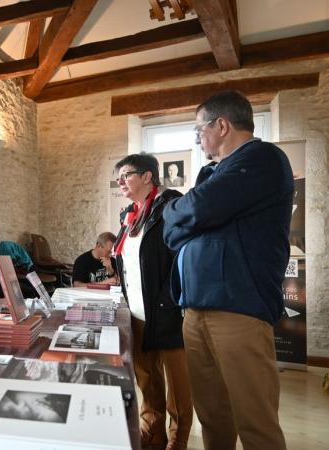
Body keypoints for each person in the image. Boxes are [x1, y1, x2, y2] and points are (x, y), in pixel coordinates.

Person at [163, 90, 292, 450]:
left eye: (199, 130)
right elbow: (174, 232)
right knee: (213, 417)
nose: (197, 138)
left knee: (255, 422)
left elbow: (196, 210)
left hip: (238, 308)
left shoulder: (263, 158)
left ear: (222, 125)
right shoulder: (210, 172)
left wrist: (183, 212)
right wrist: (186, 214)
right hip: (195, 310)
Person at [113, 154, 192, 450]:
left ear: (148, 176)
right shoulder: (129, 215)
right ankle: (152, 431)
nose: (121, 182)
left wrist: (171, 300)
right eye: (119, 177)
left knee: (178, 384)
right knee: (147, 378)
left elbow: (181, 260)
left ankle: (177, 439)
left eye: (127, 175)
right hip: (136, 311)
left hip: (168, 311)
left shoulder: (170, 206)